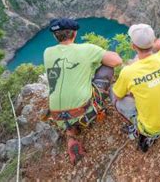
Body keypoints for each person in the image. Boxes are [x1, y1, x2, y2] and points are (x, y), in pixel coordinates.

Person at [43, 18, 122, 164]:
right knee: (107, 68)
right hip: (82, 113)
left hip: (57, 116)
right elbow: (117, 60)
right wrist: (100, 55)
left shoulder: (47, 52)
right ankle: (96, 111)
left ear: (55, 36)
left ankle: (70, 134)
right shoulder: (86, 49)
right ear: (74, 33)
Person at [111, 24, 160, 152]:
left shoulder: (128, 72)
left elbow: (118, 96)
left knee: (114, 95)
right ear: (153, 42)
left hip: (151, 129)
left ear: (133, 46)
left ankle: (139, 128)